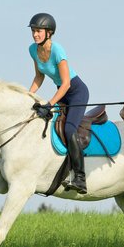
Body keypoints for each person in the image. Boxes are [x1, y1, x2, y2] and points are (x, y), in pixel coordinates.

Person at [28, 13, 89, 193]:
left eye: (38, 31)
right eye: (33, 31)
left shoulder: (57, 51)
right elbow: (39, 77)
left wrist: (50, 103)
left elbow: (66, 83)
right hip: (61, 92)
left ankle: (80, 178)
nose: (35, 35)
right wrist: (28, 95)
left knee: (69, 129)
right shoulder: (33, 50)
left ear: (49, 32)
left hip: (76, 91)